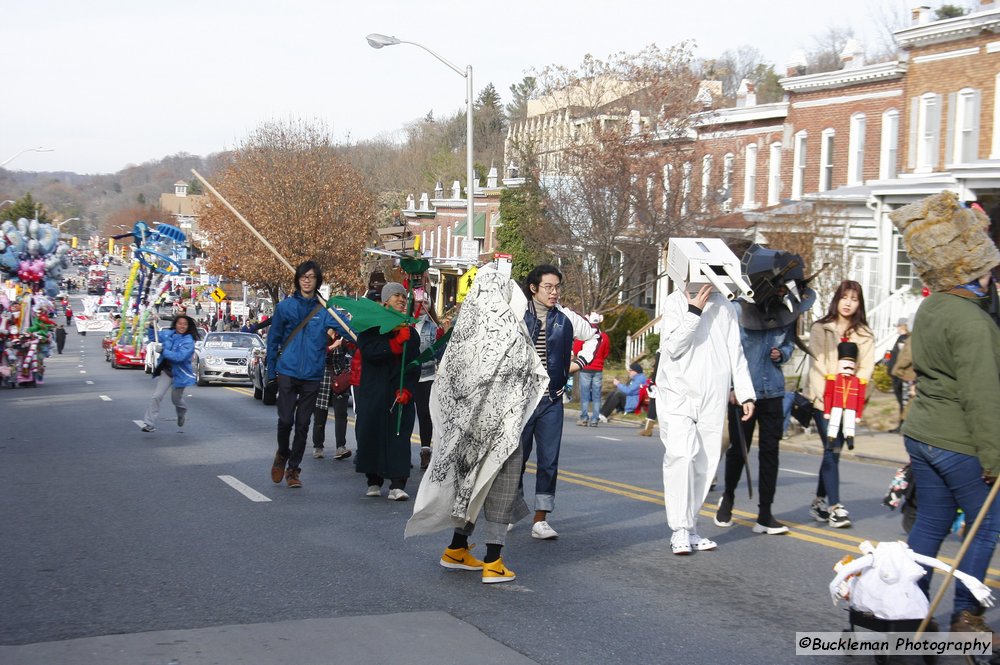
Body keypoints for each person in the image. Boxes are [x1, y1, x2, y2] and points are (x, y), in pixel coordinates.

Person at [890, 191, 1000, 642]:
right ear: (973, 270)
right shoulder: (975, 323)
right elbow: (983, 397)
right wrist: (994, 458)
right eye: (990, 267)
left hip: (922, 433)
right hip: (958, 440)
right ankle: (966, 617)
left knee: (933, 522)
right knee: (985, 525)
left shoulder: (932, 306)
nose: (994, 274)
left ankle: (908, 610)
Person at [406, 264, 550, 584]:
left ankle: (457, 549)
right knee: (502, 486)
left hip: (467, 427)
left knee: (470, 487)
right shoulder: (508, 330)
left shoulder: (466, 330)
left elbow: (448, 381)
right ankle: (493, 561)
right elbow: (526, 374)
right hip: (501, 424)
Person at [716, 245, 815, 536]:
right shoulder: (737, 310)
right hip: (743, 392)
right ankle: (729, 499)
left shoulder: (787, 309)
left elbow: (787, 344)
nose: (784, 292)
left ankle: (766, 513)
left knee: (771, 453)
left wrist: (781, 354)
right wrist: (733, 387)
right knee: (739, 450)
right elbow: (728, 352)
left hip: (773, 389)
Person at [658, 281, 754, 554]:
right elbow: (673, 347)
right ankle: (678, 529)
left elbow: (735, 350)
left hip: (714, 393)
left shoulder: (725, 305)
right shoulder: (675, 301)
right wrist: (693, 311)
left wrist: (745, 392)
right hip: (678, 392)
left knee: (705, 461)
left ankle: (691, 527)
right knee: (681, 456)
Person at [519, 264, 597, 540]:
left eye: (557, 287)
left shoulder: (565, 317)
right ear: (534, 288)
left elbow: (593, 336)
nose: (554, 292)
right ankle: (510, 507)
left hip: (551, 398)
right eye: (548, 287)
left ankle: (541, 518)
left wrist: (578, 363)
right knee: (516, 458)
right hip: (520, 400)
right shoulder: (517, 314)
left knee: (549, 460)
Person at [266, 260, 350, 489]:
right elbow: (273, 340)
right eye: (303, 276)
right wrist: (270, 370)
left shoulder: (324, 311)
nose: (307, 279)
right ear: (298, 279)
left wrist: (357, 327)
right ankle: (282, 453)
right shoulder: (285, 307)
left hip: (313, 374)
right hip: (287, 370)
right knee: (285, 421)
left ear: (317, 281)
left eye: (312, 276)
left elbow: (346, 329)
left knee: (303, 425)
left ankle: (293, 469)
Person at [806, 280, 875, 529]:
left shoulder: (865, 335)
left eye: (854, 299)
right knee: (831, 448)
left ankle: (818, 502)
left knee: (832, 453)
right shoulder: (821, 328)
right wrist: (827, 397)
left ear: (860, 303)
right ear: (837, 298)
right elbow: (817, 364)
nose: (848, 303)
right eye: (845, 297)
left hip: (850, 401)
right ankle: (835, 507)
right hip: (823, 401)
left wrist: (857, 399)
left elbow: (867, 367)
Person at [354, 282, 421, 500]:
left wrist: (408, 390)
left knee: (399, 437)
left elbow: (414, 365)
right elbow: (369, 352)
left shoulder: (410, 333)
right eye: (396, 296)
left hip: (398, 394)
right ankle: (373, 479)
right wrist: (393, 345)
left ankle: (397, 483)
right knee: (372, 434)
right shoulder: (369, 328)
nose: (401, 300)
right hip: (374, 393)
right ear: (385, 302)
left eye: (403, 296)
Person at [140, 314, 198, 433]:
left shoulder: (188, 341)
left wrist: (163, 351)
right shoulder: (168, 334)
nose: (182, 326)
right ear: (175, 324)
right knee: (156, 396)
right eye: (179, 323)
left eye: (184, 324)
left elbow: (179, 357)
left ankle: (181, 413)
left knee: (176, 400)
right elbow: (153, 336)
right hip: (167, 372)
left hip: (181, 374)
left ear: (188, 326)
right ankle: (149, 423)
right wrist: (152, 325)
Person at [412, 290, 443, 470]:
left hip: (427, 376)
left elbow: (441, 354)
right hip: (409, 376)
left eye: (425, 302)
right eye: (417, 302)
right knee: (406, 416)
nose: (421, 306)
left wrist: (440, 342)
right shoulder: (405, 325)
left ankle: (425, 451)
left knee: (425, 414)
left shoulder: (434, 327)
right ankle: (402, 453)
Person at [311, 329, 353, 461]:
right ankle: (318, 446)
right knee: (320, 415)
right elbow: (314, 355)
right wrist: (331, 346)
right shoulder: (319, 337)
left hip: (339, 381)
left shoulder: (343, 338)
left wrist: (347, 341)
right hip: (322, 381)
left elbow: (354, 351)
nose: (335, 330)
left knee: (341, 415)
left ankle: (341, 446)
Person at [575, 313, 610, 427]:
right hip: (598, 368)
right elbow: (606, 352)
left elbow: (577, 349)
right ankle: (595, 419)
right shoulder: (604, 337)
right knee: (596, 395)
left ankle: (584, 418)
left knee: (585, 394)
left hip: (586, 367)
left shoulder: (585, 334)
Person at [886, 318, 910, 433]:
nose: (897, 328)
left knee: (904, 402)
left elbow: (904, 358)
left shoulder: (906, 339)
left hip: (901, 375)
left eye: (898, 326)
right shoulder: (901, 338)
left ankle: (903, 426)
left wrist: (897, 370)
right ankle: (901, 425)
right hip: (896, 375)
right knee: (901, 401)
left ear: (903, 326)